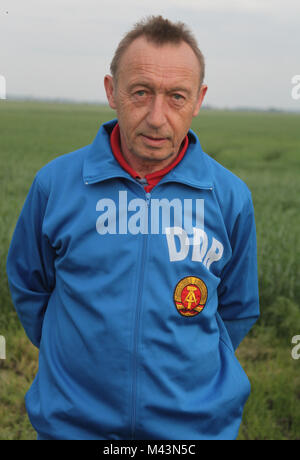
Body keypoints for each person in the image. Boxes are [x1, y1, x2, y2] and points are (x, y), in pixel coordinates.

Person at [6, 16, 260, 440]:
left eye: (176, 97)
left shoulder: (230, 196)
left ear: (198, 100)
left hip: (192, 432)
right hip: (74, 428)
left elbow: (236, 308)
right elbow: (31, 289)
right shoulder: (56, 184)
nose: (157, 118)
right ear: (112, 92)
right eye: (140, 92)